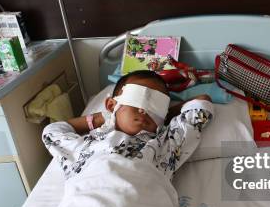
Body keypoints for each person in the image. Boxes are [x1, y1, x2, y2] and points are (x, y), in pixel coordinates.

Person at [42, 70, 213, 181]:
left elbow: (201, 103)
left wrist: (166, 115)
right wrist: (102, 118)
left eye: (156, 106)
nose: (144, 111)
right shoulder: (87, 145)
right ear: (111, 105)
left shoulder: (167, 145)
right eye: (137, 99)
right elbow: (52, 131)